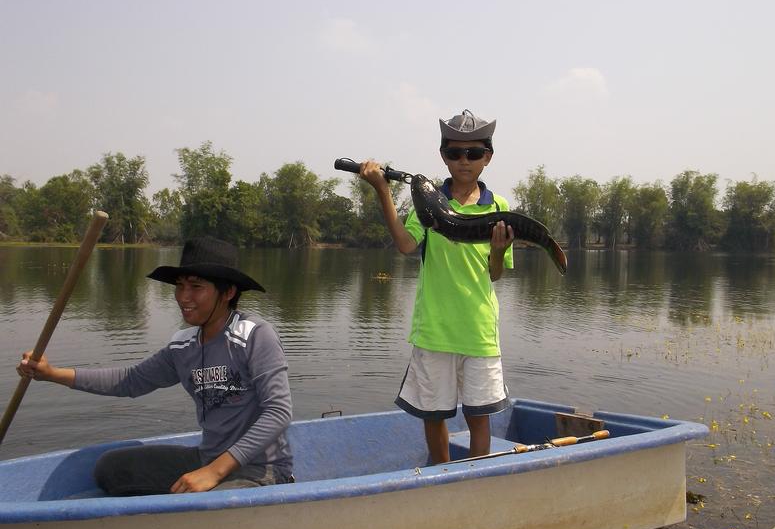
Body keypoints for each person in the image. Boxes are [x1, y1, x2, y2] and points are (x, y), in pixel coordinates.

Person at [16, 236, 293, 494]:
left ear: (228, 292)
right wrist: (51, 374)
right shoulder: (184, 347)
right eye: (180, 286)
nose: (184, 297)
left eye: (196, 287)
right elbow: (130, 380)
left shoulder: (254, 335)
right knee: (111, 469)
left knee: (195, 507)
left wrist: (214, 472)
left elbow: (279, 412)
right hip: (207, 458)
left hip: (260, 470)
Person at [359, 109, 514, 464]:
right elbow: (405, 245)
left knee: (479, 416)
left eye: (474, 153)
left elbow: (495, 274)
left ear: (487, 158)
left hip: (479, 332)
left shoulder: (499, 207)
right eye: (455, 153)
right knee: (434, 414)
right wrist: (383, 191)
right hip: (434, 329)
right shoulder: (428, 202)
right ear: (443, 156)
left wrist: (499, 251)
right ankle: (441, 476)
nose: (464, 161)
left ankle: (476, 481)